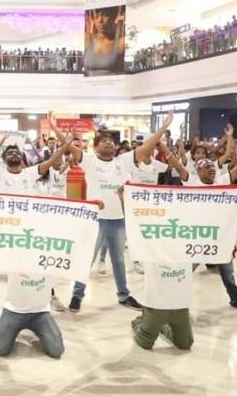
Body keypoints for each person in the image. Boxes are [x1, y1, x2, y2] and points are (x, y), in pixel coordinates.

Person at [66, 112, 174, 312]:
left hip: (118, 220)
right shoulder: (89, 161)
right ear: (96, 146)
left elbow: (147, 147)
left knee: (118, 260)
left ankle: (124, 295)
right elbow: (71, 148)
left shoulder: (123, 161)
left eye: (111, 142)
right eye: (104, 141)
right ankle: (77, 295)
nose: (108, 144)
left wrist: (162, 128)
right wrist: (67, 138)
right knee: (86, 259)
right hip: (95, 220)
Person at [0, 119, 70, 311]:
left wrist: (65, 145)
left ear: (22, 158)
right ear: (5, 159)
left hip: (28, 229)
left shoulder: (31, 173)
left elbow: (51, 161)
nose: (14, 153)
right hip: (6, 226)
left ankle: (51, 295)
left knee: (36, 262)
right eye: (10, 152)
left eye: (16, 152)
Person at [166, 132, 237, 313]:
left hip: (219, 237)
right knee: (184, 271)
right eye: (207, 167)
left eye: (212, 167)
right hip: (197, 237)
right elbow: (177, 164)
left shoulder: (221, 181)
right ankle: (171, 299)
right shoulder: (191, 182)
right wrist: (165, 148)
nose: (212, 169)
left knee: (228, 274)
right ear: (198, 171)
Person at [132, 262, 194, 350]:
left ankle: (163, 326)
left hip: (179, 303)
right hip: (156, 303)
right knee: (145, 342)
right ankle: (141, 322)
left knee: (186, 343)